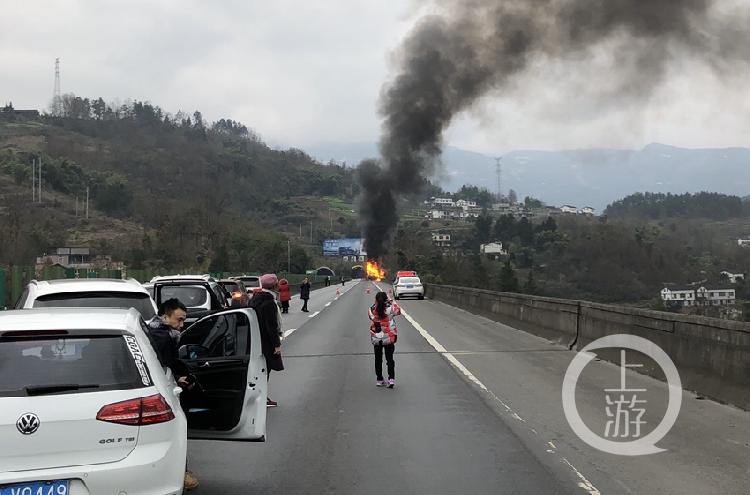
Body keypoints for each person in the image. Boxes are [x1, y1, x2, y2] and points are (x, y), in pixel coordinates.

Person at [147, 298, 199, 491]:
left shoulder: (147, 329)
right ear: (165, 316)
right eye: (178, 320)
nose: (181, 325)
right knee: (176, 430)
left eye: (183, 320)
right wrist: (180, 377)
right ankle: (181, 473)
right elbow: (167, 362)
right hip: (162, 390)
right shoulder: (163, 337)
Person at [249, 273, 284, 407]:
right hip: (266, 342)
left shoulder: (255, 298)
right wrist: (276, 344)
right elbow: (271, 325)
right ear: (275, 285)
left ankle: (261, 397)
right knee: (265, 370)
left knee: (260, 371)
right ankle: (262, 398)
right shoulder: (269, 302)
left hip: (256, 340)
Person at [368, 291, 401, 388]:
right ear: (386, 299)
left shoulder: (372, 309)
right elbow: (398, 311)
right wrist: (391, 301)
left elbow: (371, 317)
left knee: (378, 359)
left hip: (377, 337)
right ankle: (391, 379)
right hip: (389, 336)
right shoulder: (391, 309)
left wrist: (376, 303)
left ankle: (379, 379)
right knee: (389, 359)